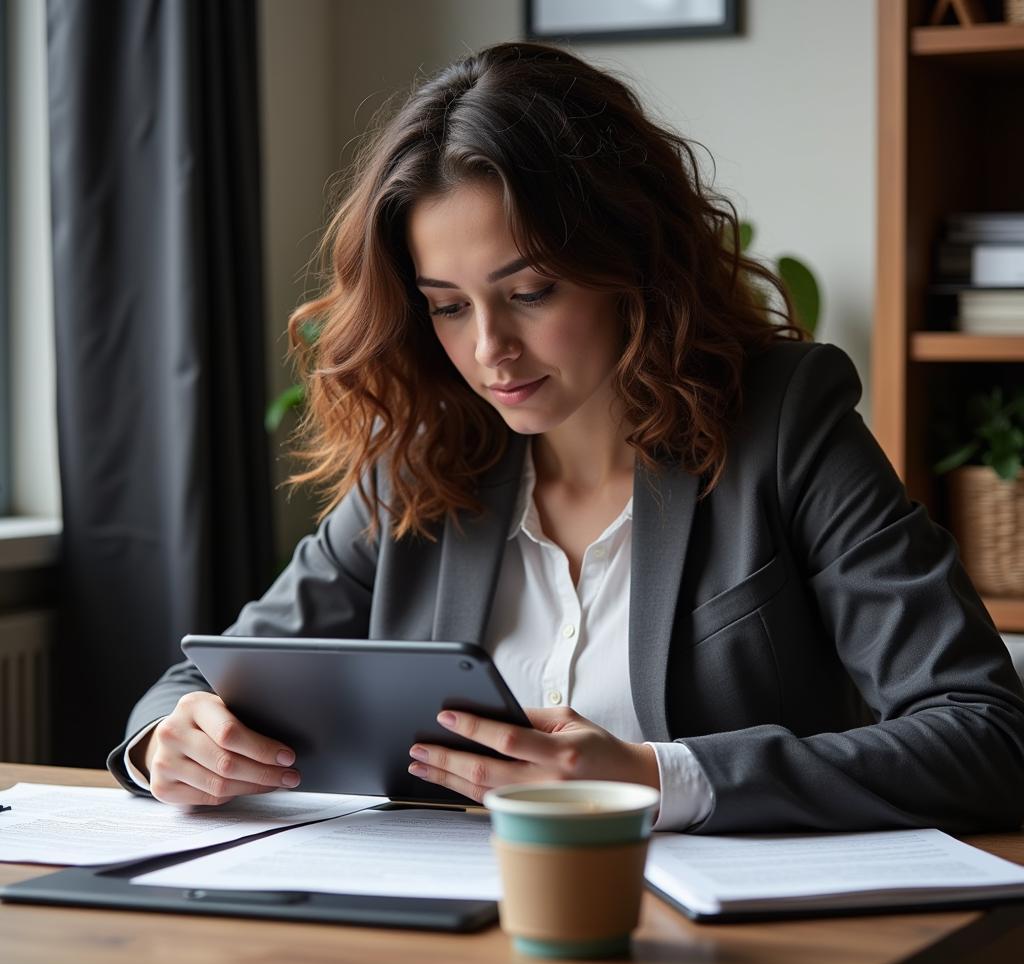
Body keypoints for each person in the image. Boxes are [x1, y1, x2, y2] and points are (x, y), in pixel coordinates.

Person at [108, 41, 1024, 834]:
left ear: (630, 262)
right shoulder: (420, 462)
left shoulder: (784, 426)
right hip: (446, 951)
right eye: (447, 308)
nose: (489, 349)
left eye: (531, 293)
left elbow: (987, 732)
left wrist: (659, 778)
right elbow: (198, 677)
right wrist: (172, 743)